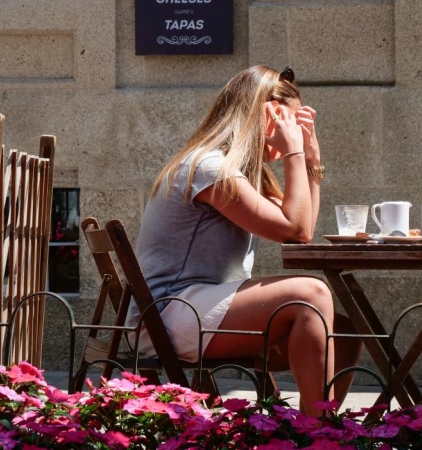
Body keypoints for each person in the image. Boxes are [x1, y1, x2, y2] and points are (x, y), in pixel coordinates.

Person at [126, 65, 360, 416]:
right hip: (168, 315)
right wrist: (294, 153)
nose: (294, 131)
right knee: (311, 294)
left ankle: (316, 425)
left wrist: (312, 162)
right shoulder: (209, 168)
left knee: (342, 330)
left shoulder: (240, 173)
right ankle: (319, 432)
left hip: (196, 309)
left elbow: (302, 228)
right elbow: (295, 229)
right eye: (290, 121)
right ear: (264, 114)